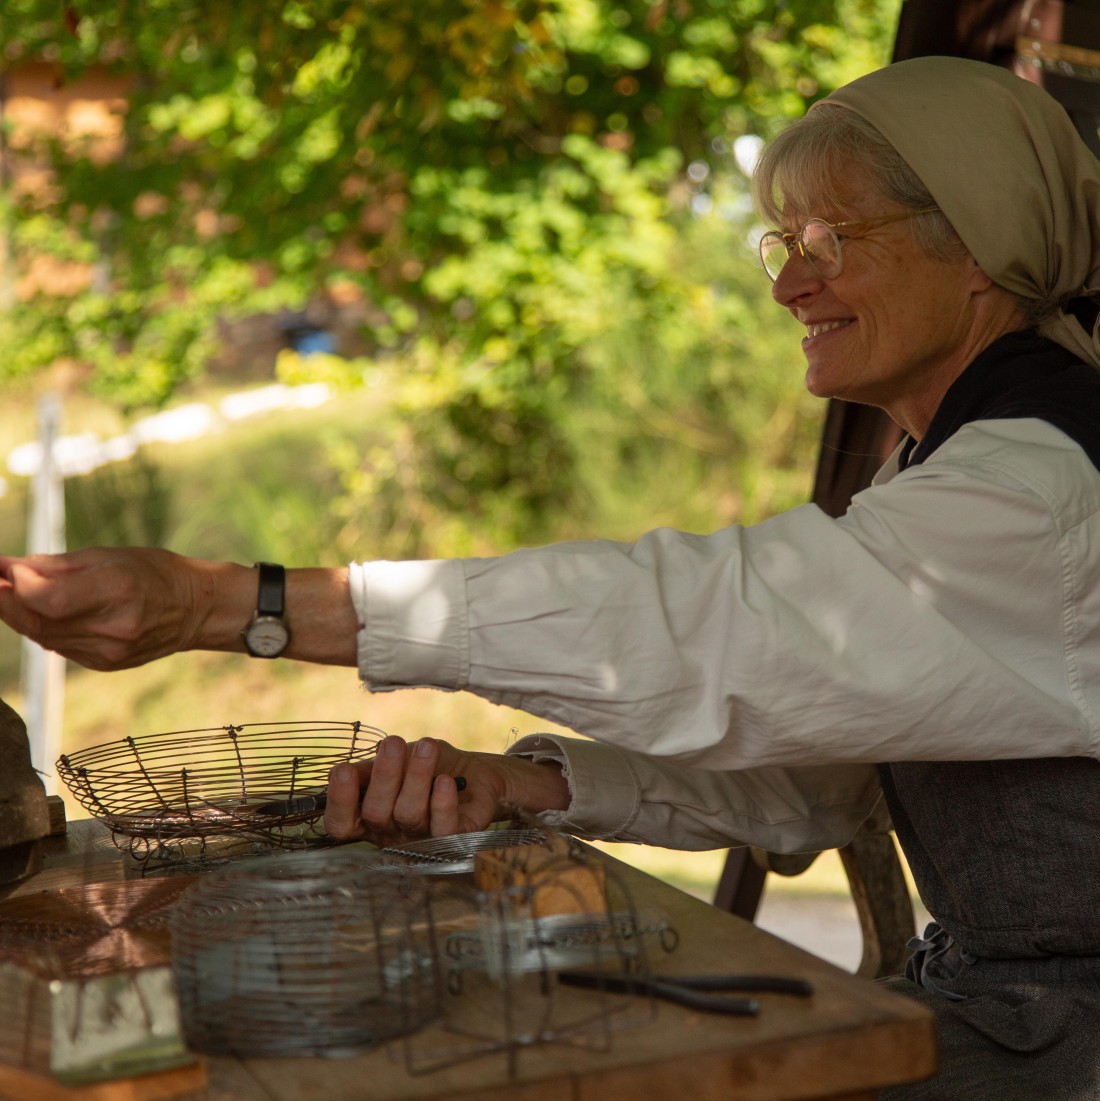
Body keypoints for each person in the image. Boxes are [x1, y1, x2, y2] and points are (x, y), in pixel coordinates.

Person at [1, 56, 1098, 1098]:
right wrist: (529, 786)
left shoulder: (1035, 486)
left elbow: (705, 628)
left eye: (830, 237)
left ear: (978, 249)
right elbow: (834, 768)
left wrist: (232, 604)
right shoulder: (961, 459)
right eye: (782, 241)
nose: (789, 284)